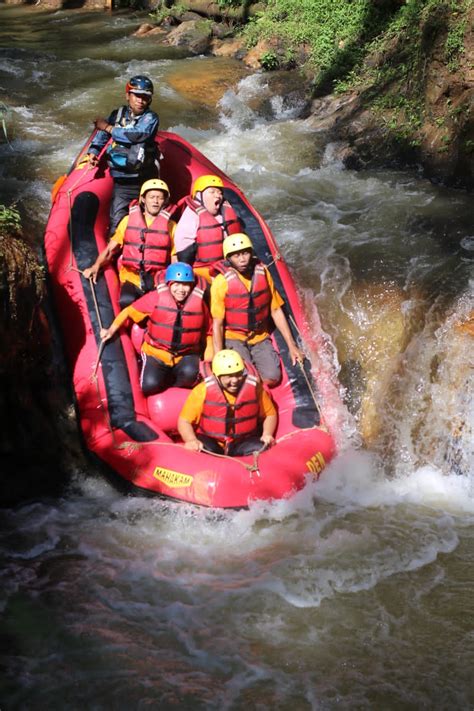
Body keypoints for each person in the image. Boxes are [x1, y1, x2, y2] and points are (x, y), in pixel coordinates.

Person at [100, 263, 212, 396]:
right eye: (176, 284)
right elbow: (128, 312)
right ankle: (157, 374)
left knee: (190, 377)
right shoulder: (156, 298)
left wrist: (209, 359)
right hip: (156, 352)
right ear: (169, 284)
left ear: (192, 285)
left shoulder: (200, 305)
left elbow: (208, 332)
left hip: (185, 355)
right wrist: (111, 330)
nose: (181, 290)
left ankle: (173, 382)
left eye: (185, 285)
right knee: (149, 386)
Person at [211, 233, 305, 387]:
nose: (242, 259)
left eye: (245, 253)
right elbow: (218, 323)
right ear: (228, 259)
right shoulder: (221, 283)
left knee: (272, 377)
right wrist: (218, 358)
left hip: (260, 336)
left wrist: (291, 345)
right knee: (245, 379)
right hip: (234, 337)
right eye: (236, 256)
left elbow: (275, 311)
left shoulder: (262, 273)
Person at [83, 179, 174, 308]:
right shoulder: (127, 221)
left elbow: (175, 259)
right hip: (131, 279)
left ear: (165, 201)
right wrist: (96, 266)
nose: (155, 201)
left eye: (159, 198)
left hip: (157, 281)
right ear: (143, 199)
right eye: (152, 197)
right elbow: (110, 250)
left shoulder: (172, 227)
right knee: (126, 301)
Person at [86, 75, 160, 234]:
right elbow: (102, 135)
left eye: (145, 97)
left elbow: (138, 134)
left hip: (145, 178)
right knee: (117, 221)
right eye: (137, 96)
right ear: (128, 96)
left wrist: (109, 128)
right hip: (122, 179)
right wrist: (94, 151)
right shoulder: (117, 114)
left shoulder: (151, 118)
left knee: (150, 221)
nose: (141, 100)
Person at [178, 349, 277, 456]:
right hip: (211, 442)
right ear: (217, 376)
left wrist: (267, 434)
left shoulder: (255, 388)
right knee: (203, 449)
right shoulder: (202, 390)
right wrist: (191, 439)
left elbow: (270, 414)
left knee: (262, 447)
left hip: (242, 442)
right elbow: (184, 421)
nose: (235, 380)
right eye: (228, 376)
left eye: (238, 374)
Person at [174, 174, 243, 282]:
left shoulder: (225, 212)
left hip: (226, 268)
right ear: (199, 195)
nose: (217, 196)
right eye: (212, 192)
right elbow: (184, 254)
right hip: (201, 271)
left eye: (220, 192)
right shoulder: (191, 215)